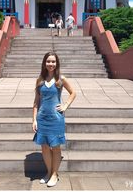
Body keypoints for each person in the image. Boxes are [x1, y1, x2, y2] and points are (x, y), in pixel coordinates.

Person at [32, 52, 76, 187]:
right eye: (48, 61)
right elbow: (36, 102)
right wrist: (34, 119)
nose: (51, 64)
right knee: (45, 147)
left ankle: (55, 174)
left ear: (57, 64)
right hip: (42, 118)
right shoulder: (39, 80)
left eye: (53, 62)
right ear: (44, 63)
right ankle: (49, 172)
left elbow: (73, 93)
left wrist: (65, 106)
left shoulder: (61, 79)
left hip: (56, 119)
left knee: (55, 147)